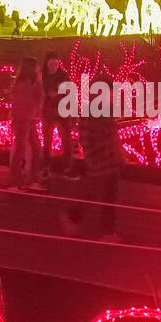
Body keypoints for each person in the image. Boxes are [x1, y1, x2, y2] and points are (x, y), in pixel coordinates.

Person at [65, 76, 123, 241]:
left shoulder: (106, 111)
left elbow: (112, 135)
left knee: (106, 196)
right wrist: (91, 158)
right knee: (97, 195)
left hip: (110, 160)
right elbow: (85, 138)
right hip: (100, 161)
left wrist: (119, 155)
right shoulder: (90, 112)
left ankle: (106, 230)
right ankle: (75, 217)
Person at [8, 57, 43, 190]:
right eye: (37, 67)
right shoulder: (26, 83)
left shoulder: (24, 82)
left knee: (34, 148)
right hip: (24, 119)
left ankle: (31, 180)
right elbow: (31, 101)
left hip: (26, 119)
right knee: (21, 150)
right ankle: (14, 182)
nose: (39, 69)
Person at [40, 52, 73, 176]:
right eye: (51, 63)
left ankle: (67, 167)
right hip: (47, 112)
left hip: (62, 113)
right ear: (47, 64)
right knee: (47, 141)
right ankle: (46, 167)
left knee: (66, 141)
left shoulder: (63, 75)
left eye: (56, 63)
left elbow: (69, 89)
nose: (54, 66)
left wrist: (57, 91)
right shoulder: (42, 76)